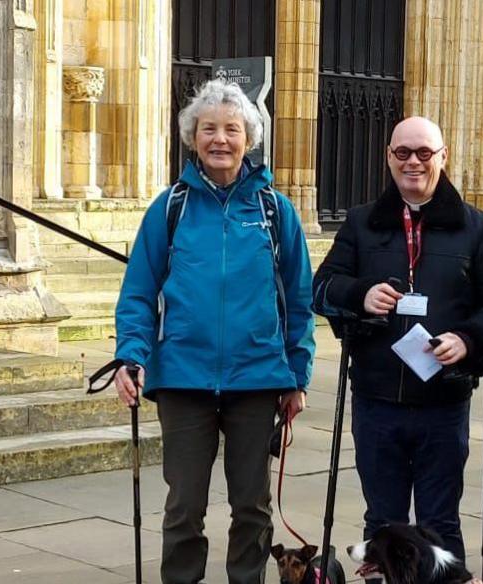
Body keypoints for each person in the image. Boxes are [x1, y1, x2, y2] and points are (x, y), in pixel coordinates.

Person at [113, 79, 315, 584]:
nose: (219, 139)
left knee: (252, 505)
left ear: (249, 137)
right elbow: (138, 291)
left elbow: (298, 300)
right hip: (183, 377)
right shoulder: (170, 208)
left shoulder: (274, 211)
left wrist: (298, 375)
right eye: (209, 129)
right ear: (193, 138)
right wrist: (130, 356)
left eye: (231, 129)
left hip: (256, 378)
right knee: (184, 507)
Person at [312, 116, 483, 564]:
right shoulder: (362, 222)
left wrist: (467, 339)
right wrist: (360, 294)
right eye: (403, 152)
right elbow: (321, 289)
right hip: (377, 401)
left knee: (440, 523)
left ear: (443, 157)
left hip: (443, 403)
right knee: (383, 523)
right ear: (389, 157)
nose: (413, 162)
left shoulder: (477, 227)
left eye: (424, 153)